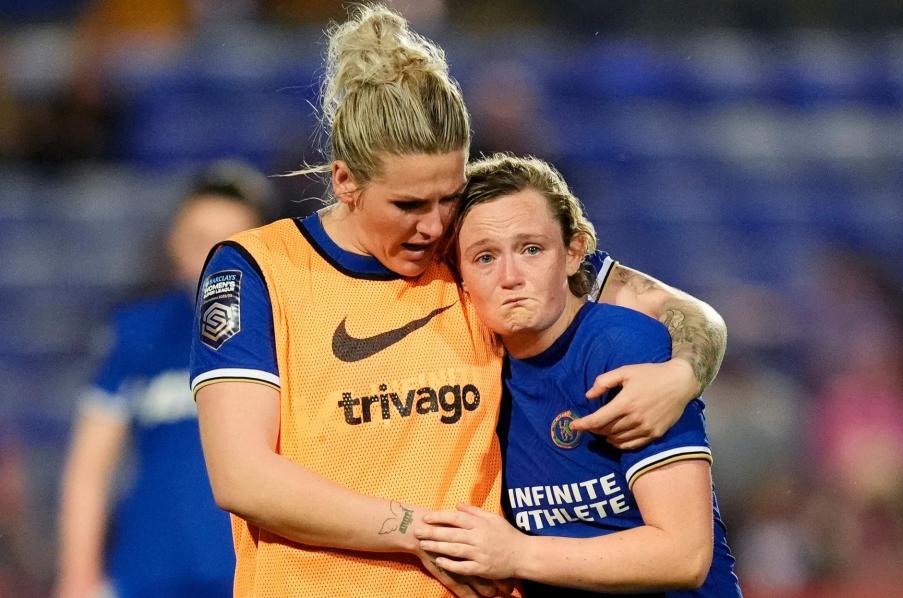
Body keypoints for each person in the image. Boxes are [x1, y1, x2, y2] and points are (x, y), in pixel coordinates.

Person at [189, 5, 726, 597]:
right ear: (345, 181)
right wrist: (420, 532)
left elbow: (687, 314)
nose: (434, 225)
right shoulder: (259, 269)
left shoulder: (477, 251)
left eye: (449, 196)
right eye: (409, 205)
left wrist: (683, 373)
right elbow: (242, 476)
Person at [417, 153, 742, 597]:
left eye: (531, 249)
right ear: (460, 275)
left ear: (573, 253)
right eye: (485, 257)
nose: (510, 276)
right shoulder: (473, 371)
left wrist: (516, 554)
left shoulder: (622, 347)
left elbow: (683, 555)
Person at [56, 161, 274, 598]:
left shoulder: (285, 331)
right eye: (198, 241)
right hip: (147, 576)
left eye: (230, 243)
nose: (213, 258)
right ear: (174, 243)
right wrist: (78, 576)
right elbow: (89, 467)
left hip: (252, 577)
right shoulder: (137, 331)